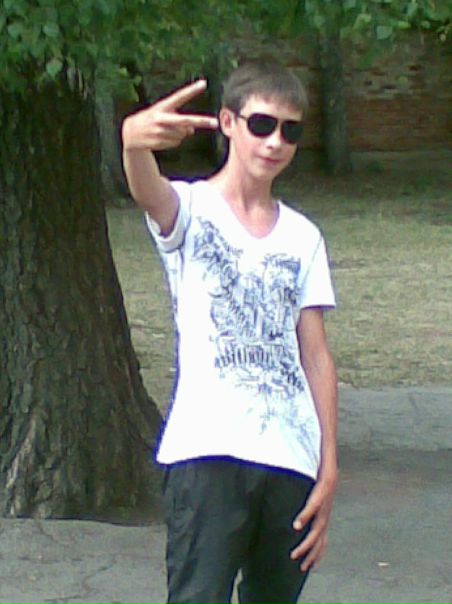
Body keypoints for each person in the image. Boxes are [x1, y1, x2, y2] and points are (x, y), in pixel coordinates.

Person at [121, 60, 338, 604]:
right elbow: (148, 192)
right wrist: (133, 142)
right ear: (227, 123)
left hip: (290, 458)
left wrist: (328, 465)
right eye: (261, 124)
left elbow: (316, 356)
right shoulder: (191, 208)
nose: (275, 142)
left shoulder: (304, 237)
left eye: (290, 130)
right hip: (207, 454)